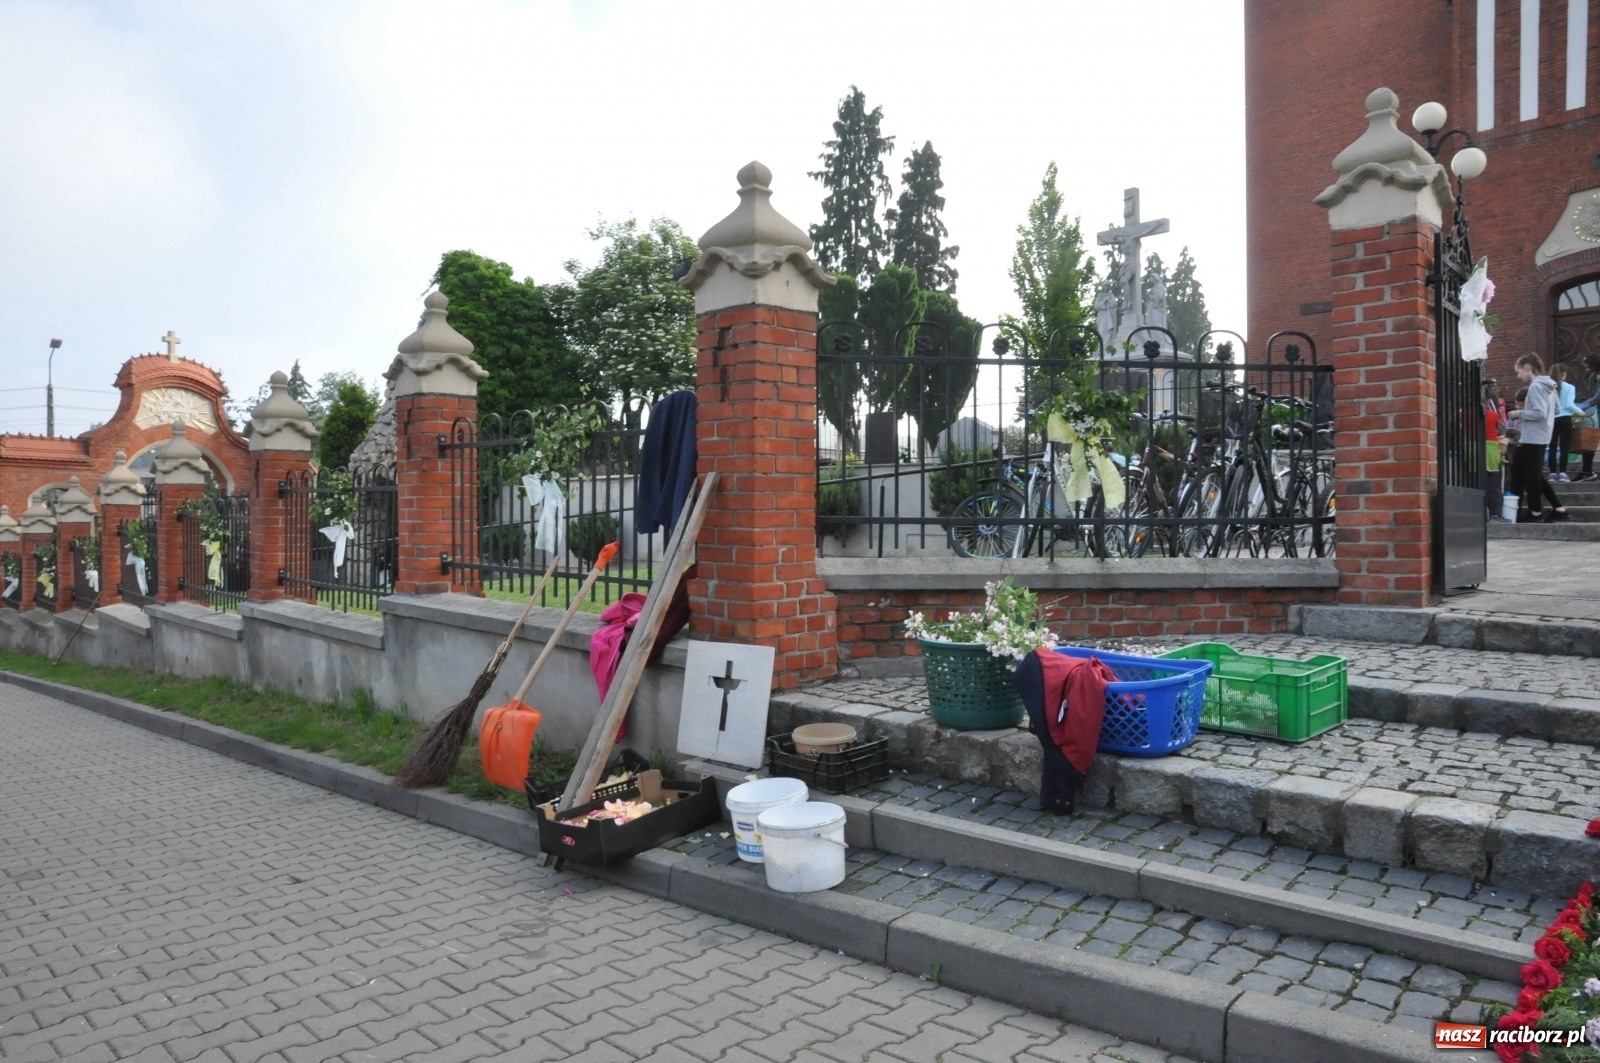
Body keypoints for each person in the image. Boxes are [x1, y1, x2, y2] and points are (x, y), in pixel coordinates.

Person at [1508, 354, 1569, 521]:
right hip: (1541, 436)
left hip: (1532, 438)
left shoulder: (1535, 387)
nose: (1518, 375)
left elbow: (1539, 413)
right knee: (1525, 474)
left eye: (1519, 371)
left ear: (1527, 368)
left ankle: (1537, 511)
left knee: (1532, 477)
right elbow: (1556, 410)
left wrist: (1518, 413)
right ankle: (1554, 508)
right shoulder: (1550, 386)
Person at [1549, 364, 1579, 481]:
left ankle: (1552, 473)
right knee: (1564, 447)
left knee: (1552, 446)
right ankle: (1562, 473)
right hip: (1566, 418)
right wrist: (1580, 412)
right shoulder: (1570, 387)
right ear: (1564, 375)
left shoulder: (1549, 388)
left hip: (1552, 418)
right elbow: (1569, 405)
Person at [1575, 353, 1600, 482]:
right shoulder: (1592, 378)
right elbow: (1593, 395)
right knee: (1589, 438)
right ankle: (1587, 471)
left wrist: (1588, 404)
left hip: (1595, 408)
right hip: (1597, 412)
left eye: (1587, 366)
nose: (1586, 369)